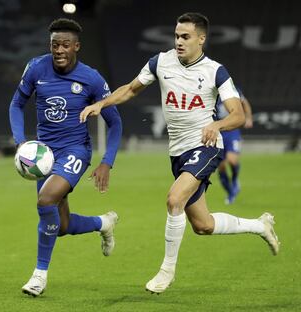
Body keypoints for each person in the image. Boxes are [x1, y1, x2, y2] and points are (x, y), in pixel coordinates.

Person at [80, 12, 280, 294]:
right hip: (178, 153)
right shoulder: (161, 62)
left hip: (206, 147)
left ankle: (166, 271)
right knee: (203, 225)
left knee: (174, 199)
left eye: (185, 37)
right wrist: (102, 104)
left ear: (201, 39)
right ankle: (260, 226)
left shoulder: (215, 71)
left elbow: (237, 114)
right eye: (176, 36)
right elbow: (131, 89)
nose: (179, 42)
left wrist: (217, 124)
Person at [9, 18, 122, 297]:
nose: (58, 50)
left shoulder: (92, 78)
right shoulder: (36, 67)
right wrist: (21, 142)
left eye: (65, 45)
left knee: (45, 200)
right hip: (44, 155)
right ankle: (103, 223)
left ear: (76, 47)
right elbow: (16, 104)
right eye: (54, 45)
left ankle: (39, 275)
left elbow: (115, 122)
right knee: (60, 226)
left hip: (75, 151)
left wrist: (106, 161)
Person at [216, 87, 253, 204]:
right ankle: (231, 193)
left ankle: (235, 179)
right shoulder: (209, 90)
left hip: (232, 130)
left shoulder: (232, 90)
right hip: (217, 130)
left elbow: (244, 102)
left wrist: (248, 118)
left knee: (232, 160)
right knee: (221, 166)